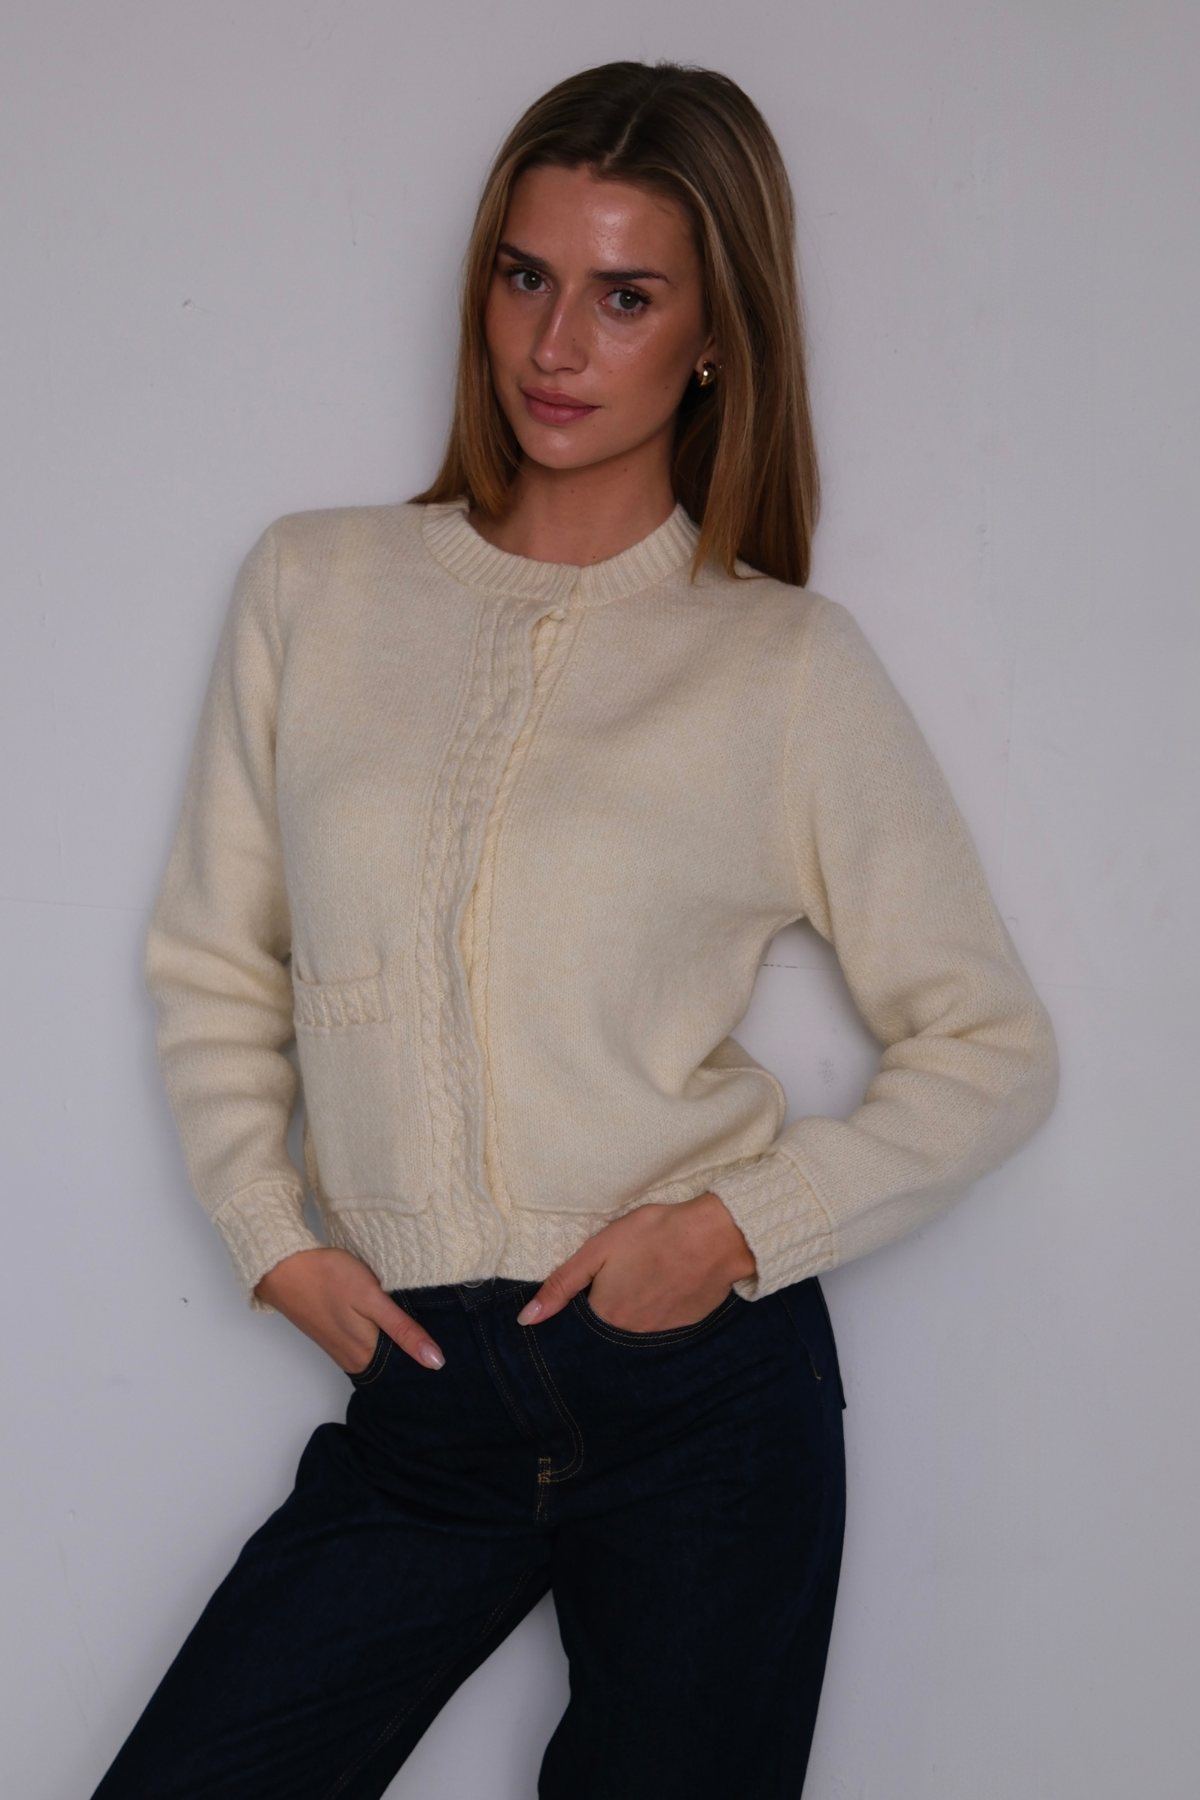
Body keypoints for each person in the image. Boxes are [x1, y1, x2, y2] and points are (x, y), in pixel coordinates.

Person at [93, 60, 1057, 1800]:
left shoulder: (783, 666)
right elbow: (218, 959)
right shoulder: (317, 585)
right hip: (423, 1397)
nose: (555, 344)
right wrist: (269, 1231)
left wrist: (735, 1231)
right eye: (526, 276)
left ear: (716, 335)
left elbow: (991, 1049)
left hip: (704, 1403)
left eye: (626, 296)